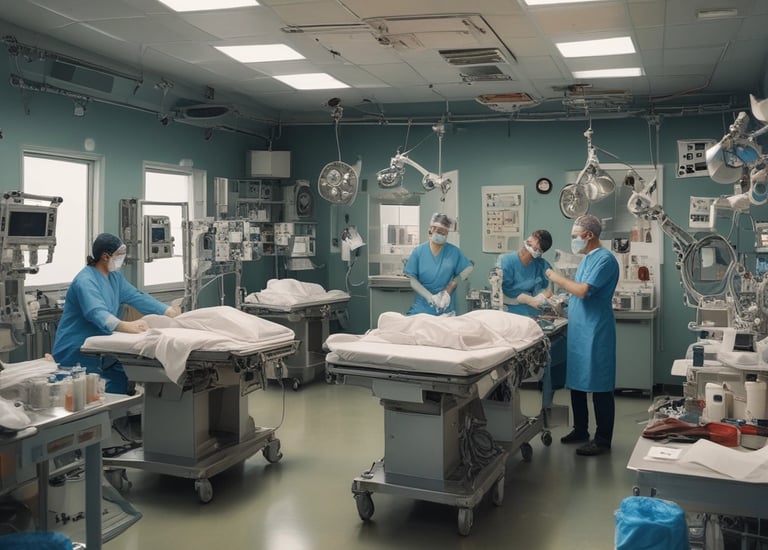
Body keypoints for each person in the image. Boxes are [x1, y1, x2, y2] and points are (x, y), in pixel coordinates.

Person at [52, 233, 181, 394]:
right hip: (76, 350)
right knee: (95, 394)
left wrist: (167, 311)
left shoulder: (114, 278)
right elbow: (96, 312)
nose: (123, 259)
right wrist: (123, 325)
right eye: (119, 255)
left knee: (122, 381)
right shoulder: (85, 281)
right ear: (105, 256)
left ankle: (123, 417)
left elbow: (136, 296)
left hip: (102, 350)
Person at [544, 214, 619, 456]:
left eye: (575, 236)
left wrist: (555, 277)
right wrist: (560, 304)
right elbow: (576, 293)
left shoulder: (605, 260)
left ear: (589, 235)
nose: (573, 241)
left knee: (599, 386)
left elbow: (584, 290)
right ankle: (581, 430)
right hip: (579, 329)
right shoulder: (587, 259)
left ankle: (603, 439)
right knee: (576, 383)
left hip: (595, 330)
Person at [403, 213, 473, 315]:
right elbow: (413, 280)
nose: (441, 235)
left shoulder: (453, 252)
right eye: (439, 232)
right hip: (422, 308)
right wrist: (430, 297)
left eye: (444, 234)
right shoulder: (418, 252)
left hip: (445, 309)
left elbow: (468, 269)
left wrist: (447, 292)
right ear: (431, 229)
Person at [497, 229, 554, 316]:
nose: (531, 239)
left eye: (536, 239)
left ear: (539, 252)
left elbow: (550, 288)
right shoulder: (507, 261)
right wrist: (526, 299)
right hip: (511, 312)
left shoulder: (541, 264)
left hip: (534, 313)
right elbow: (502, 291)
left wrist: (541, 297)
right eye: (533, 236)